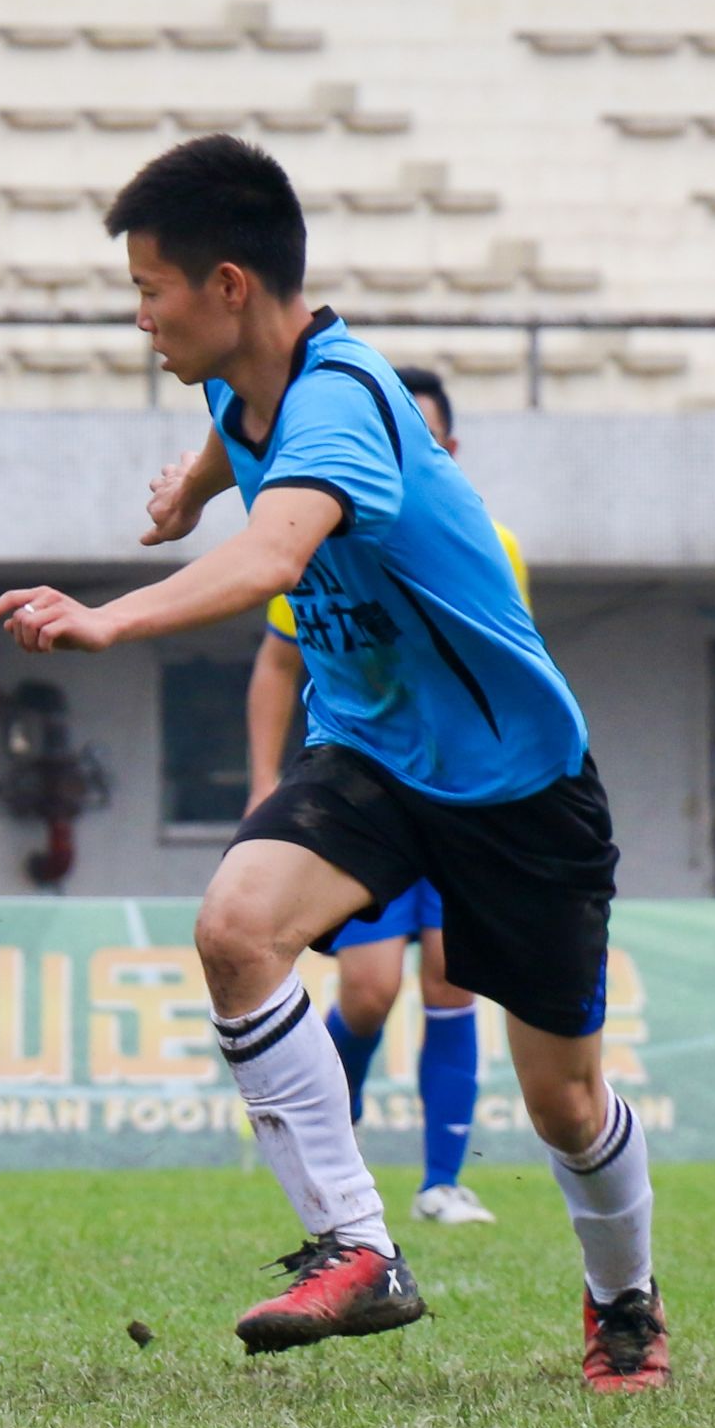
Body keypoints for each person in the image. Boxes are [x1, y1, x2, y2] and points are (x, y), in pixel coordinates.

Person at [0, 135, 663, 1391]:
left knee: (564, 1102)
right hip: (370, 755)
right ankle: (356, 1246)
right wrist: (188, 494)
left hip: (518, 784)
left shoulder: (344, 400)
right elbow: (229, 445)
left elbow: (270, 564)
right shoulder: (237, 384)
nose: (139, 317)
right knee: (238, 928)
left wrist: (108, 612)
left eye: (149, 289)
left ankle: (626, 1305)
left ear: (229, 284)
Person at [244, 367, 528, 1228]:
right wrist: (264, 781)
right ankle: (337, 1134)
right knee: (366, 990)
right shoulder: (319, 547)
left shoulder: (490, 542)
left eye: (435, 441)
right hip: (366, 790)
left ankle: (443, 1179)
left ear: (448, 451)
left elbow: (511, 667)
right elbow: (277, 664)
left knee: (451, 980)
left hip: (465, 795)